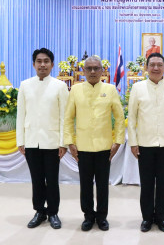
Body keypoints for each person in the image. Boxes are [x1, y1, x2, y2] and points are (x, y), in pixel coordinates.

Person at [63, 55, 125, 232]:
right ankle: (88, 216)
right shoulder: (75, 90)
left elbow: (120, 118)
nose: (92, 71)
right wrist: (70, 142)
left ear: (101, 70)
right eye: (88, 68)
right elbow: (68, 118)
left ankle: (102, 216)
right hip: (82, 147)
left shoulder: (110, 89)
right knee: (85, 185)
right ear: (83, 71)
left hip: (105, 147)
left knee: (103, 185)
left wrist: (118, 141)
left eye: (96, 68)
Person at [128, 52, 164, 233]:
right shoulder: (137, 88)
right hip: (144, 144)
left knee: (163, 184)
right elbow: (132, 118)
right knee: (146, 184)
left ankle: (161, 218)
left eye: (159, 65)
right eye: (152, 65)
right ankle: (146, 218)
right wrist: (133, 143)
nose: (156, 68)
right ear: (146, 67)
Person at [16, 48, 69, 229]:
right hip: (31, 141)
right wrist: (20, 141)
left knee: (52, 180)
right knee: (36, 179)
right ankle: (39, 211)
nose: (42, 65)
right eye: (39, 61)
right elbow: (20, 115)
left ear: (52, 65)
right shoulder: (25, 85)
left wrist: (63, 143)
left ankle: (53, 212)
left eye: (46, 61)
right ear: (33, 64)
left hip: (53, 141)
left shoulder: (60, 86)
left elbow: (65, 117)